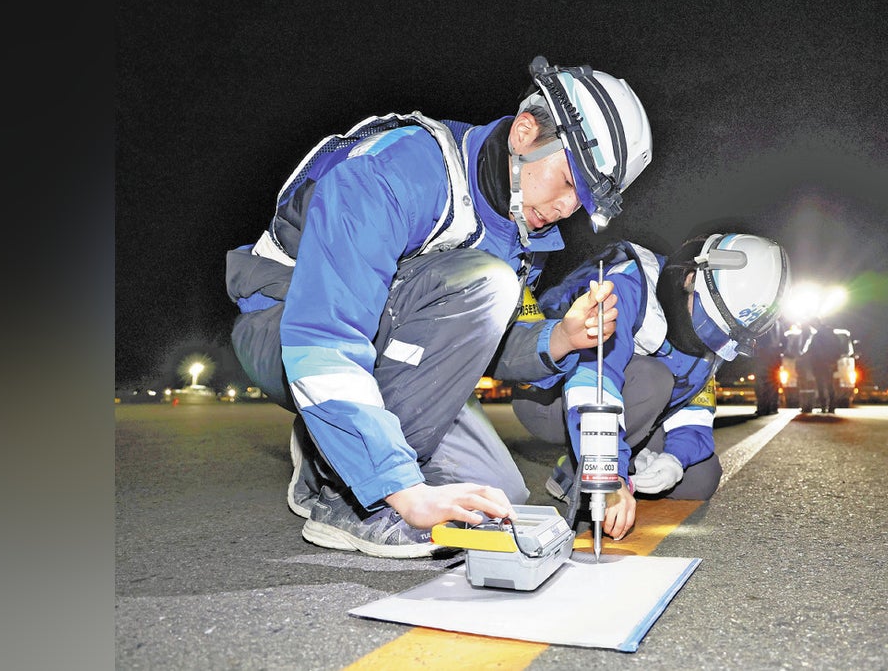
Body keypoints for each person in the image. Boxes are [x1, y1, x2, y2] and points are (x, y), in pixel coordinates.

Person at [224, 56, 653, 558]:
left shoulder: (521, 237)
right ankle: (350, 497)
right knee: (488, 284)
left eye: (583, 201)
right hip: (283, 327)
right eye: (567, 180)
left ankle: (330, 449)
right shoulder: (401, 169)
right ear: (524, 132)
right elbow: (325, 332)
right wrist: (403, 494)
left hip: (373, 340)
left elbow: (477, 344)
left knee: (496, 497)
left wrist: (561, 338)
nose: (566, 208)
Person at [511, 233, 791, 541]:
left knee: (701, 477)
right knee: (653, 379)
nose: (710, 342)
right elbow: (592, 385)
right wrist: (609, 475)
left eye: (721, 337)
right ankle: (585, 473)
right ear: (690, 278)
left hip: (630, 410)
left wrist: (674, 460)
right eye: (709, 326)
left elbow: (695, 416)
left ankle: (594, 463)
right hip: (549, 398)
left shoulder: (719, 337)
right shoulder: (626, 288)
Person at [803, 317, 845, 413]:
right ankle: (831, 407)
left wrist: (805, 356)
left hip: (819, 363)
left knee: (821, 385)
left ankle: (824, 407)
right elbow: (838, 348)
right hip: (828, 363)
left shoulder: (817, 335)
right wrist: (834, 360)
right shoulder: (830, 333)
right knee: (829, 385)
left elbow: (812, 349)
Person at [752, 324, 785, 416]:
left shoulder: (765, 323)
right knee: (771, 383)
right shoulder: (778, 326)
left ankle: (766, 407)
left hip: (766, 357)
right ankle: (770, 407)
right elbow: (784, 341)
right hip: (772, 357)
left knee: (765, 383)